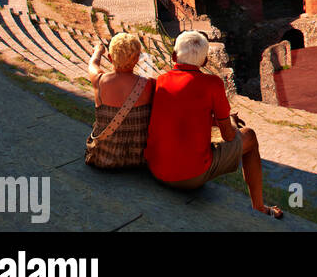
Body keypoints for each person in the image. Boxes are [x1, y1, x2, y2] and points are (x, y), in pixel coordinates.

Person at [145, 30, 282, 218]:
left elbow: (183, 114)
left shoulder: (160, 80)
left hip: (157, 170)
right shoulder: (212, 83)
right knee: (249, 136)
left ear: (174, 56)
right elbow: (228, 136)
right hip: (190, 177)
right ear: (204, 61)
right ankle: (258, 206)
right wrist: (228, 123)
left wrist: (214, 121)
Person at [86, 33, 155, 168]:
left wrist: (98, 51)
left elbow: (92, 64)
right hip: (138, 159)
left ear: (110, 57)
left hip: (103, 158)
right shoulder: (148, 85)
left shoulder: (100, 81)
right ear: (136, 59)